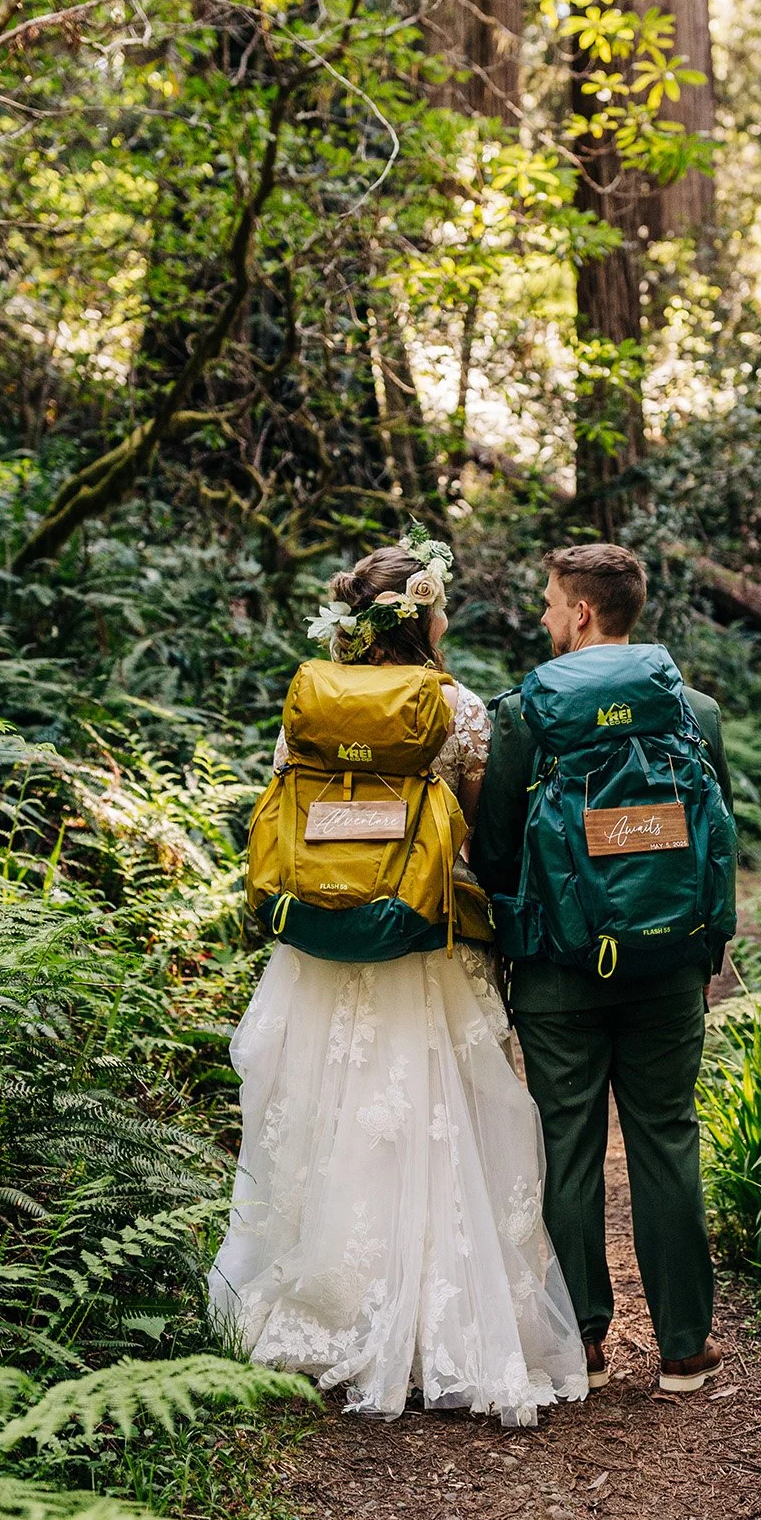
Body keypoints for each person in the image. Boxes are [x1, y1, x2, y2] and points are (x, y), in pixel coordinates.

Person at [209, 534, 586, 1428]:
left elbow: (280, 806)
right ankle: (437, 1327)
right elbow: (491, 834)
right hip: (427, 942)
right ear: (424, 616)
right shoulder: (457, 708)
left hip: (324, 950)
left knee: (326, 1117)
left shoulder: (308, 705)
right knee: (436, 1117)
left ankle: (323, 1312)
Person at [472, 543, 736, 1395]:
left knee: (566, 1144)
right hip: (667, 964)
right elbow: (718, 842)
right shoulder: (693, 710)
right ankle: (684, 1346)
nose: (544, 617)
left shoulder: (523, 713)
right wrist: (704, 951)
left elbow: (499, 851)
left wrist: (519, 944)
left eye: (550, 603)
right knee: (665, 1138)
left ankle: (580, 1336)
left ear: (582, 611)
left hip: (557, 971)